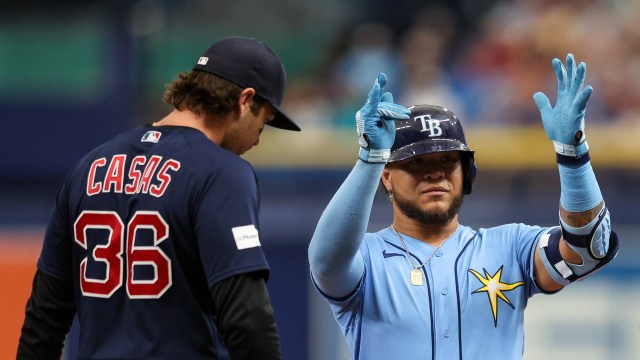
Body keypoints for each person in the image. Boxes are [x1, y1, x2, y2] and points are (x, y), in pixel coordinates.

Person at [308, 55, 619, 359]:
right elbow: (325, 261)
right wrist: (370, 158)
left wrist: (572, 153)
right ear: (386, 177)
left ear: (466, 172)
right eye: (417, 162)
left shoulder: (510, 246)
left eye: (448, 160)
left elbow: (588, 250)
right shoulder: (366, 257)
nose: (435, 173)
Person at [18, 36, 300, 359]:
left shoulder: (88, 167)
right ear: (244, 99)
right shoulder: (223, 173)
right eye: (262, 123)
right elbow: (249, 321)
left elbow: (43, 323)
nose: (257, 141)